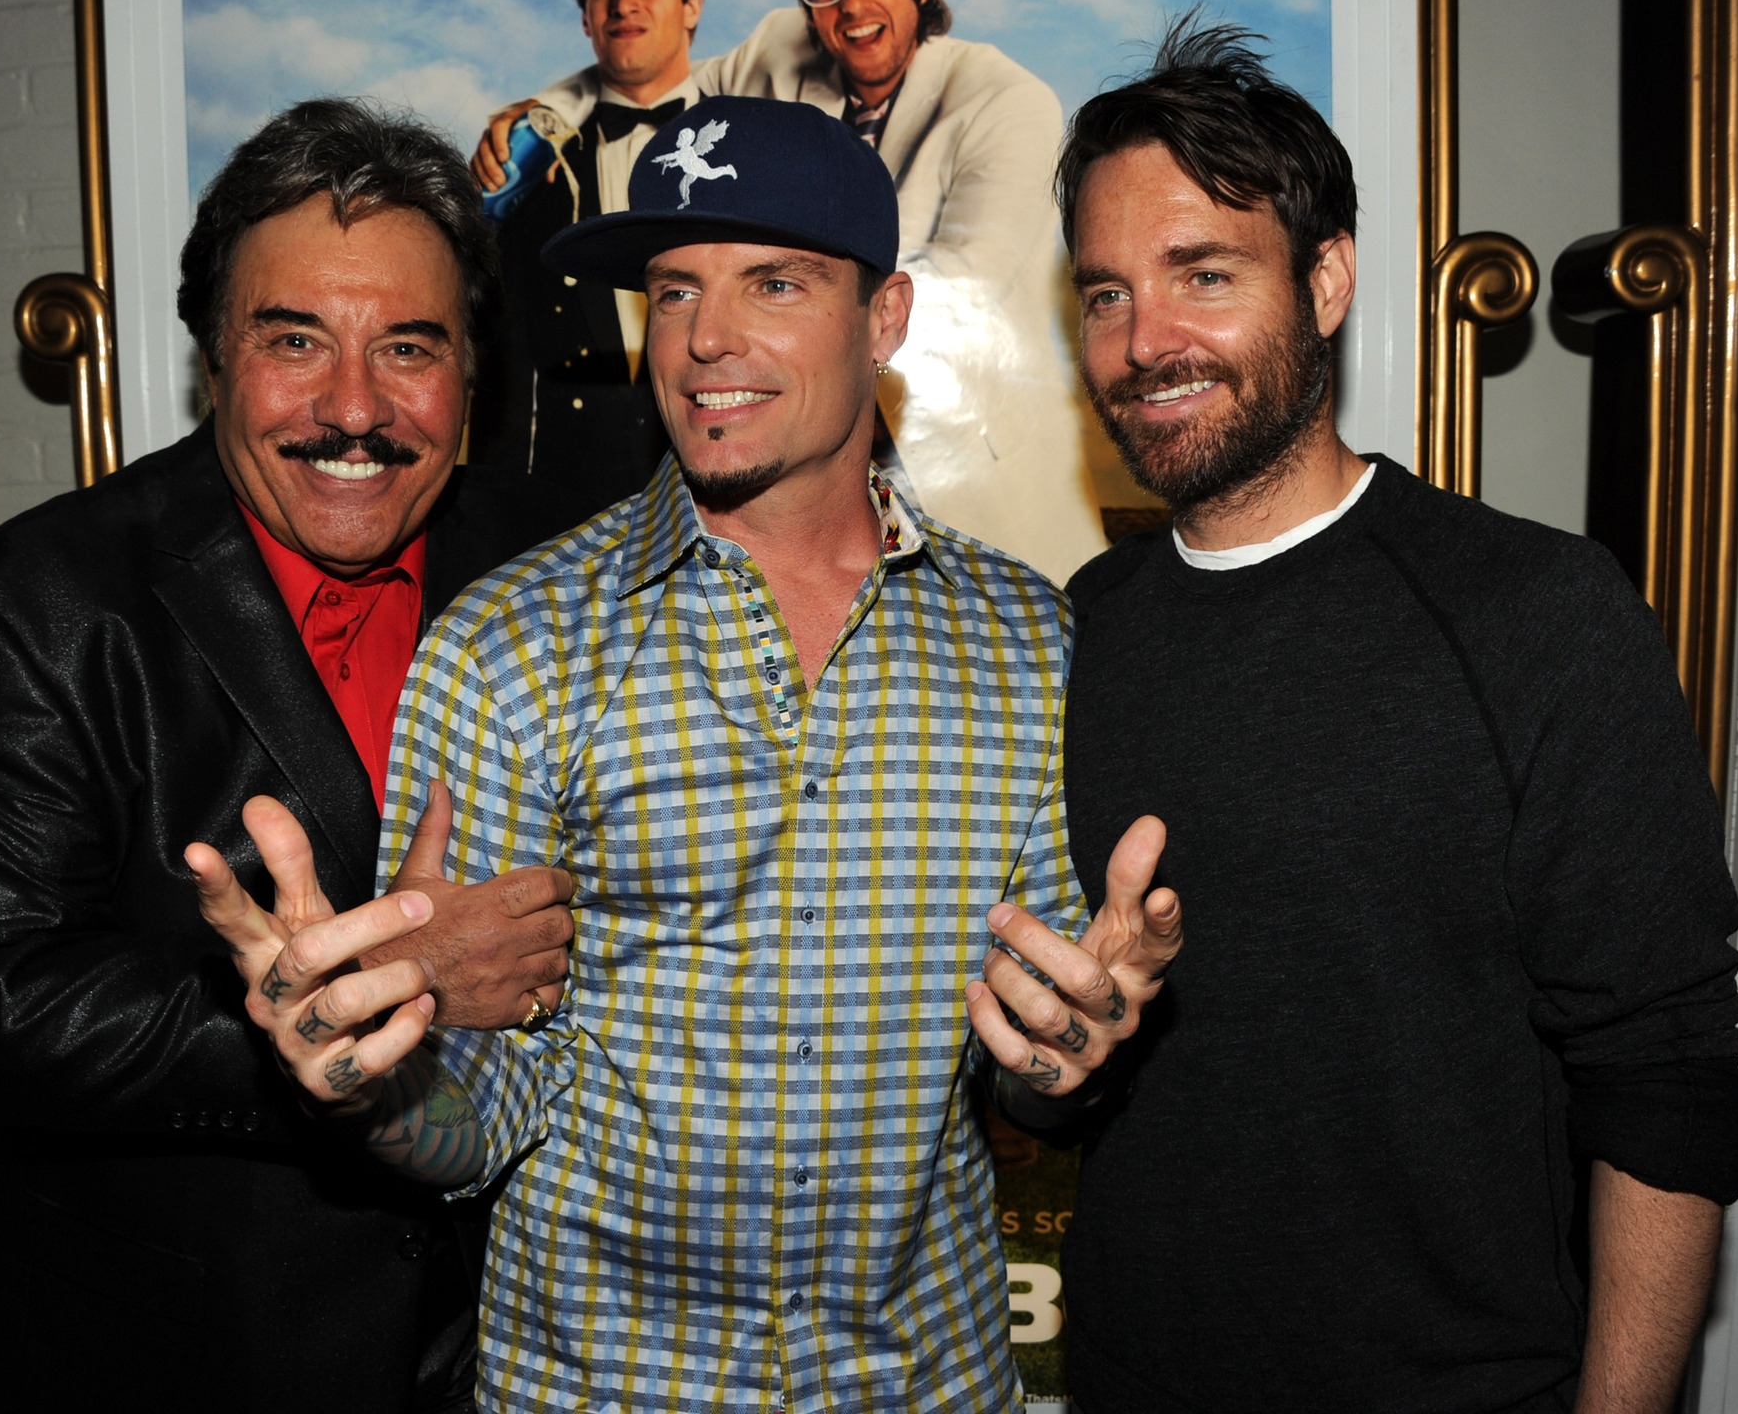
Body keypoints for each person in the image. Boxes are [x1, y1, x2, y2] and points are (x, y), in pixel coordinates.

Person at [194, 94, 1182, 1412]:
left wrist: (1070, 1055)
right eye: (672, 291)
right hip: (597, 1386)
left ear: (884, 321)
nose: (707, 338)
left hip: (927, 1382)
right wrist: (371, 1087)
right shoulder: (510, 646)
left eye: (772, 282)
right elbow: (479, 1117)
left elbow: (1036, 1063)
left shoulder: (1023, 637)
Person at [1018, 22, 1738, 1413]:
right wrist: (1059, 1064)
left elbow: (1666, 1084)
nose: (1146, 341)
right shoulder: (1081, 625)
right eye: (1105, 295)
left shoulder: (1537, 611)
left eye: (1205, 275)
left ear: (1329, 280)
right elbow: (1054, 1091)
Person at [0, 100, 589, 1411]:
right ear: (215, 358)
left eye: (410, 347)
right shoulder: (35, 607)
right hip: (187, 1355)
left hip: (533, 1352)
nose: (356, 406)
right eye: (295, 339)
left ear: (474, 372)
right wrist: (375, 983)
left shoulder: (561, 566)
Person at [477, 0, 1108, 583]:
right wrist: (550, 115)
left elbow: (965, 284)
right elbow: (646, 67)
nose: (852, 0)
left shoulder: (1002, 98)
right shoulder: (778, 50)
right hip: (783, 514)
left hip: (969, 500)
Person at [471, 0, 706, 499]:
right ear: (586, 16)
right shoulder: (529, 166)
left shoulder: (747, 151)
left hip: (724, 504)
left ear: (691, 3)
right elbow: (504, 371)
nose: (624, 3)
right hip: (567, 512)